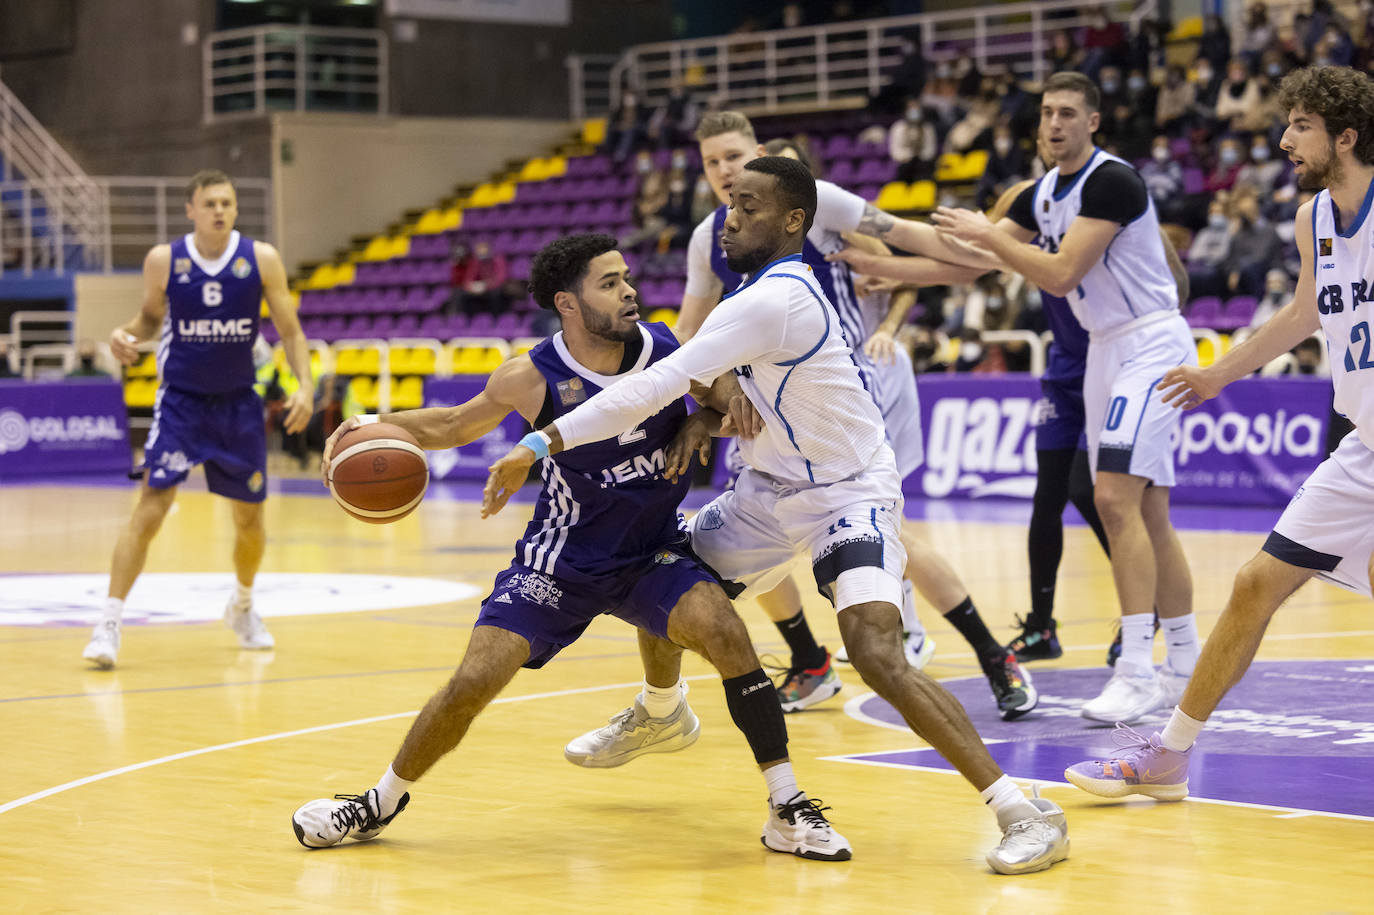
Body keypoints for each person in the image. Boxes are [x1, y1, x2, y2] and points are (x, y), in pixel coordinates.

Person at [484, 158, 1070, 875]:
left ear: (794, 221)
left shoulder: (776, 298)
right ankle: (662, 708)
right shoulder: (758, 292)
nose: (731, 218)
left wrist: (542, 439)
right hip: (768, 495)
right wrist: (706, 419)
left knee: (878, 652)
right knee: (660, 572)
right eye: (729, 206)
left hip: (847, 495)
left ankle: (1022, 810)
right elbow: (715, 386)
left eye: (750, 207)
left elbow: (658, 381)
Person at [292, 233, 850, 861]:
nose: (629, 290)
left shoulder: (664, 348)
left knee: (724, 632)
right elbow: (452, 425)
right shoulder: (532, 376)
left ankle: (786, 805)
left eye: (626, 277)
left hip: (648, 555)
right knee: (474, 679)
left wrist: (701, 417)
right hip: (562, 560)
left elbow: (726, 398)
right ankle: (377, 802)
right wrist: (374, 425)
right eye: (609, 283)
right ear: (568, 303)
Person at [660, 111, 1038, 720]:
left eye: (733, 156)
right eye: (711, 162)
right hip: (763, 400)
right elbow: (689, 333)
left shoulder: (811, 200)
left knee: (892, 535)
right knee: (750, 525)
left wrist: (989, 248)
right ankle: (809, 660)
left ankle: (994, 656)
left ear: (756, 153)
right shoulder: (712, 236)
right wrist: (706, 398)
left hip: (842, 390)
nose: (724, 170)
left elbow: (901, 253)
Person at [1065, 65, 1374, 801]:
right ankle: (1168, 756)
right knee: (1252, 584)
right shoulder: (1314, 220)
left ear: (1347, 135)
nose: (1283, 139)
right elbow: (1302, 316)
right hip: (1363, 446)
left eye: (1301, 125)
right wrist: (1217, 373)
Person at [932, 72, 1200, 724]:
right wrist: (878, 246)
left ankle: (1136, 668)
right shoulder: (1044, 191)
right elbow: (972, 255)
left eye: (1068, 113)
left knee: (1109, 496)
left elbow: (1057, 271)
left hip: (1150, 345)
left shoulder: (1112, 181)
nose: (1054, 124)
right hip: (1105, 351)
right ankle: (1187, 662)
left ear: (1093, 121)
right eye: (1048, 112)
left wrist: (989, 234)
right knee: (1151, 512)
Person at [82, 169, 314, 668]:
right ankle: (108, 623)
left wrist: (305, 388)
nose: (219, 211)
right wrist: (127, 334)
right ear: (191, 210)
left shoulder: (262, 259)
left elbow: (290, 332)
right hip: (182, 403)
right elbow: (148, 317)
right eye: (209, 203)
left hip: (238, 404)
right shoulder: (165, 260)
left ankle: (243, 605)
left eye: (227, 203)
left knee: (249, 520)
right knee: (152, 506)